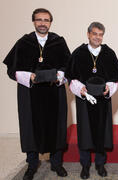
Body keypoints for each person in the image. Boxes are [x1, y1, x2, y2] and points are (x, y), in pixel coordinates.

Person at [3, 8, 70, 180]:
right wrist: (29, 76)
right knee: (29, 129)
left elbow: (69, 68)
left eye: (46, 20)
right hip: (30, 94)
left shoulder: (59, 42)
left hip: (53, 93)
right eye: (39, 20)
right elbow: (12, 71)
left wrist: (59, 77)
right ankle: (32, 165)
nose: (42, 23)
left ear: (50, 23)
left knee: (56, 128)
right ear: (33, 21)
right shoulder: (24, 42)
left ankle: (56, 164)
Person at [66, 22, 118, 179]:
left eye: (100, 34)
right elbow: (71, 77)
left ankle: (100, 164)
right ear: (88, 34)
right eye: (94, 34)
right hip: (85, 100)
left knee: (101, 132)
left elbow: (116, 77)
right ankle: (85, 165)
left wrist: (109, 88)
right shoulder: (78, 53)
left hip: (103, 100)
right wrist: (80, 89)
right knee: (85, 132)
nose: (97, 37)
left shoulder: (109, 53)